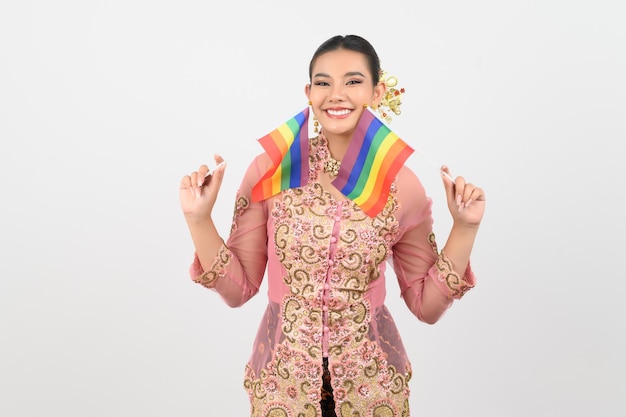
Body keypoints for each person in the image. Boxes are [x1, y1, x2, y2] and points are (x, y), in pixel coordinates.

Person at [179, 34, 485, 417]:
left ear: (377, 92)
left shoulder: (402, 184)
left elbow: (427, 306)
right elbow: (238, 290)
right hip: (282, 386)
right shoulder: (274, 170)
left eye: (353, 82)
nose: (336, 94)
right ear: (308, 92)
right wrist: (198, 219)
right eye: (324, 82)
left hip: (372, 389)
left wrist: (465, 228)